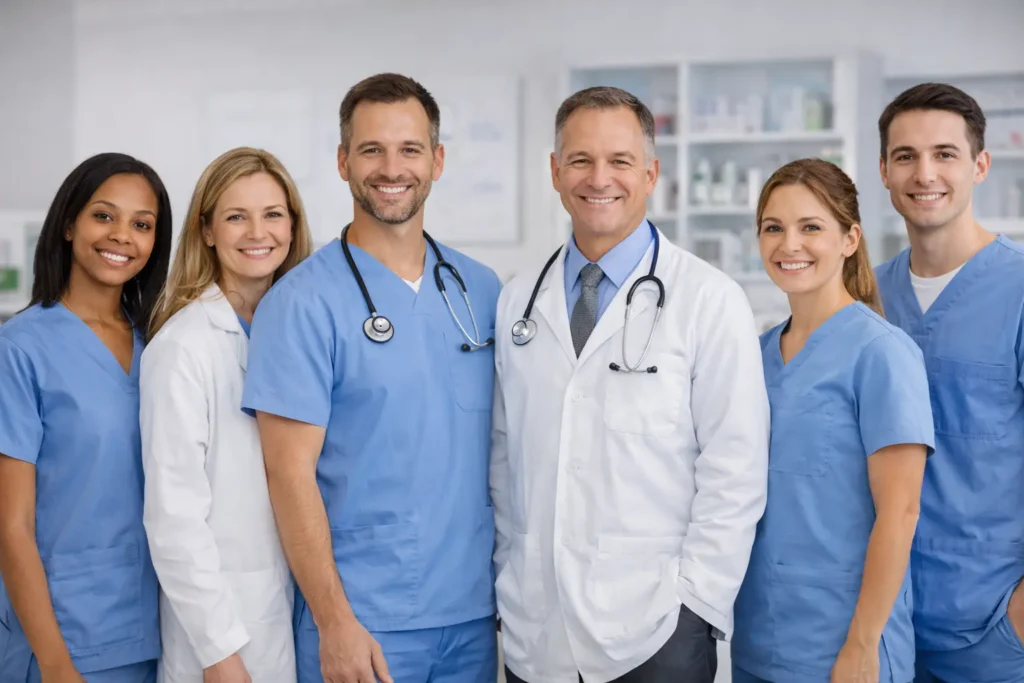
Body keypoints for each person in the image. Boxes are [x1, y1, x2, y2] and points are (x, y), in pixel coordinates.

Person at [489, 85, 769, 683]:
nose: (599, 178)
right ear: (555, 172)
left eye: (619, 161)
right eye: (580, 160)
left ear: (650, 173)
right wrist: (510, 573)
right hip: (537, 627)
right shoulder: (518, 299)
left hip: (659, 632)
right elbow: (504, 457)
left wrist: (696, 605)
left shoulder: (709, 299)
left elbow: (736, 468)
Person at [240, 73, 503, 683]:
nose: (392, 168)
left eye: (410, 149)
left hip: (472, 614)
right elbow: (287, 474)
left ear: (437, 161)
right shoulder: (301, 302)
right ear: (342, 162)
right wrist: (335, 622)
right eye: (371, 150)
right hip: (364, 622)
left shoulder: (481, 290)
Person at [728, 158, 934, 683]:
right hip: (758, 640)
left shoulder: (882, 353)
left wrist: (863, 646)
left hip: (845, 647)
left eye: (811, 227)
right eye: (773, 228)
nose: (788, 244)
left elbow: (901, 512)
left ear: (850, 239)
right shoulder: (753, 356)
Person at [139, 147, 315, 683]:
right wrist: (219, 653)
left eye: (273, 214)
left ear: (292, 225)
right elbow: (173, 518)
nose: (257, 232)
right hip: (226, 637)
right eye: (236, 216)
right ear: (208, 231)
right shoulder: (183, 346)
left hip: (294, 617)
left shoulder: (301, 332)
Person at [0, 153, 172, 682]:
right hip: (63, 641)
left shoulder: (162, 345)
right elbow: (11, 526)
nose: (122, 235)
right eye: (104, 215)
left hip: (157, 633)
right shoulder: (21, 348)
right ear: (69, 223)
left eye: (142, 224)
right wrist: (55, 664)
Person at [874, 82, 1024, 683]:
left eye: (945, 154)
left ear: (980, 165)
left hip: (991, 631)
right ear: (884, 171)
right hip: (884, 623)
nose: (924, 173)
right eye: (905, 156)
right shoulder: (866, 297)